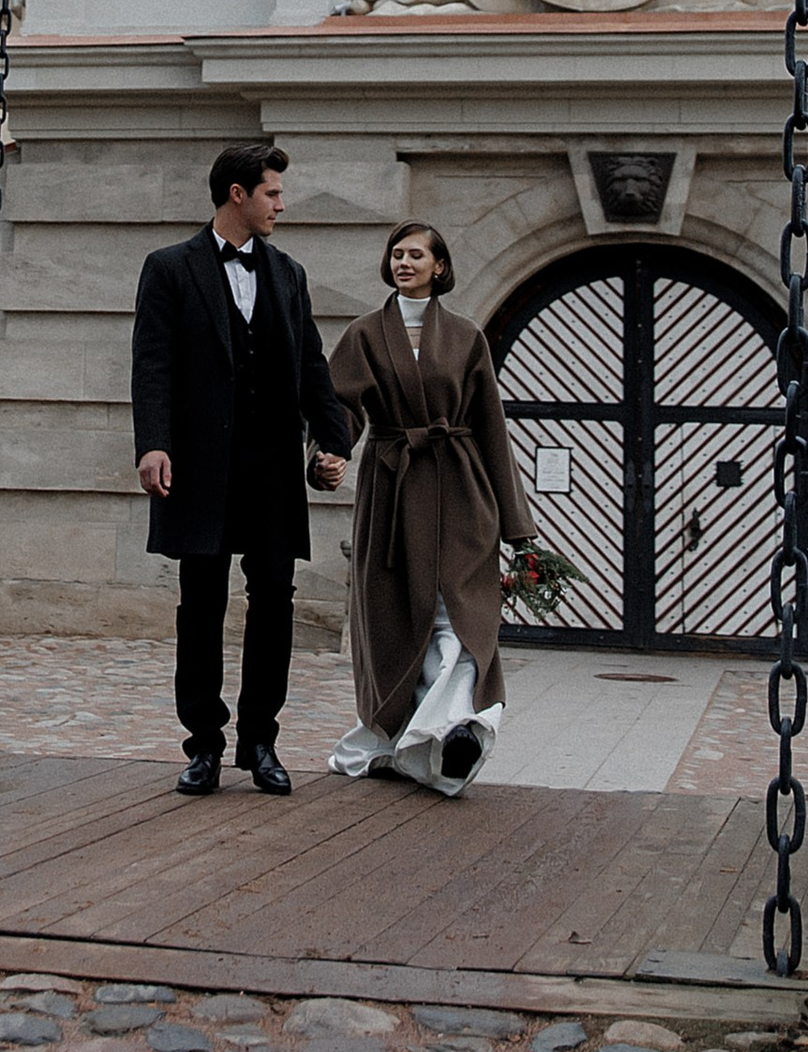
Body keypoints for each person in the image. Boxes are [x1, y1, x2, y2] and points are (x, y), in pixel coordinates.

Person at [132, 138, 351, 796]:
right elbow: (152, 364)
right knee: (200, 604)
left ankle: (261, 742)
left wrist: (333, 442)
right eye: (273, 193)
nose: (281, 204)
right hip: (199, 467)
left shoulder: (287, 274)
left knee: (274, 604)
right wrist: (153, 443)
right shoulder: (169, 267)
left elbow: (312, 365)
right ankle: (202, 743)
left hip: (272, 470)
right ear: (238, 194)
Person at [324, 220, 529, 796]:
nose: (404, 262)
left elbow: (491, 427)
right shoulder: (365, 335)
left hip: (462, 490)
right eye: (397, 254)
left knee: (462, 619)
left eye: (417, 254)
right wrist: (330, 454)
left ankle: (444, 729)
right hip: (393, 492)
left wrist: (516, 524)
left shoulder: (466, 337)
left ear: (440, 266)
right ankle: (436, 736)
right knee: (398, 620)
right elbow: (340, 410)